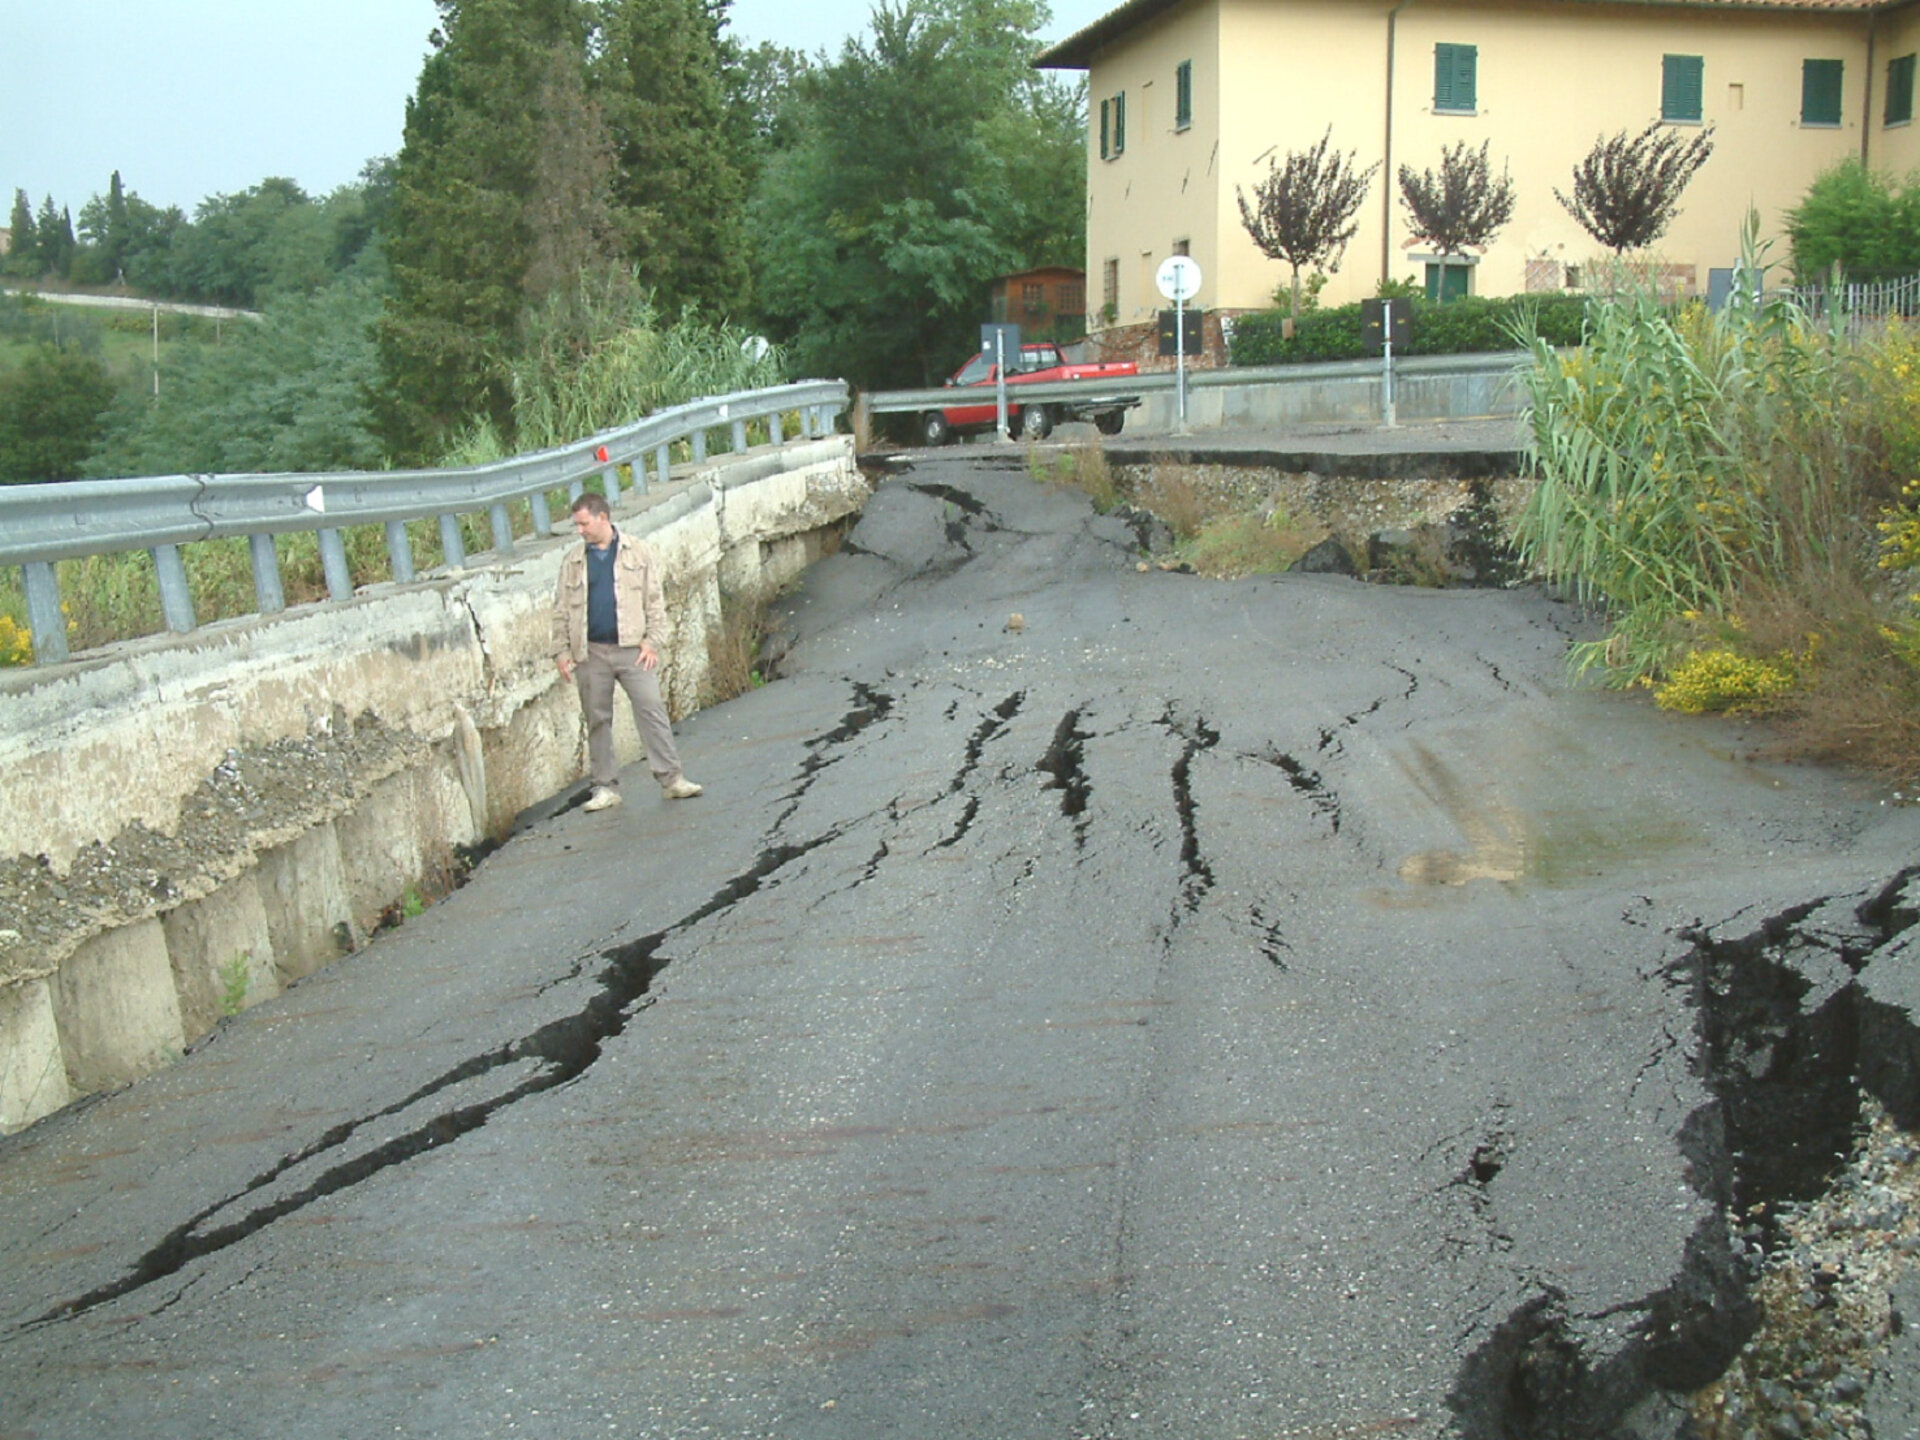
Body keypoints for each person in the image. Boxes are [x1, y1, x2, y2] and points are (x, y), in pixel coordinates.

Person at [550, 493, 703, 812]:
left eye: (584, 523)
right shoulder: (573, 561)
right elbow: (561, 610)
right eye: (576, 524)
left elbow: (654, 601)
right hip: (590, 651)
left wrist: (653, 641)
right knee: (597, 718)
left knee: (651, 709)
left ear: (602, 517)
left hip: (633, 649)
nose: (579, 530)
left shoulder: (638, 551)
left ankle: (672, 779)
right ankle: (605, 787)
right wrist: (562, 652)